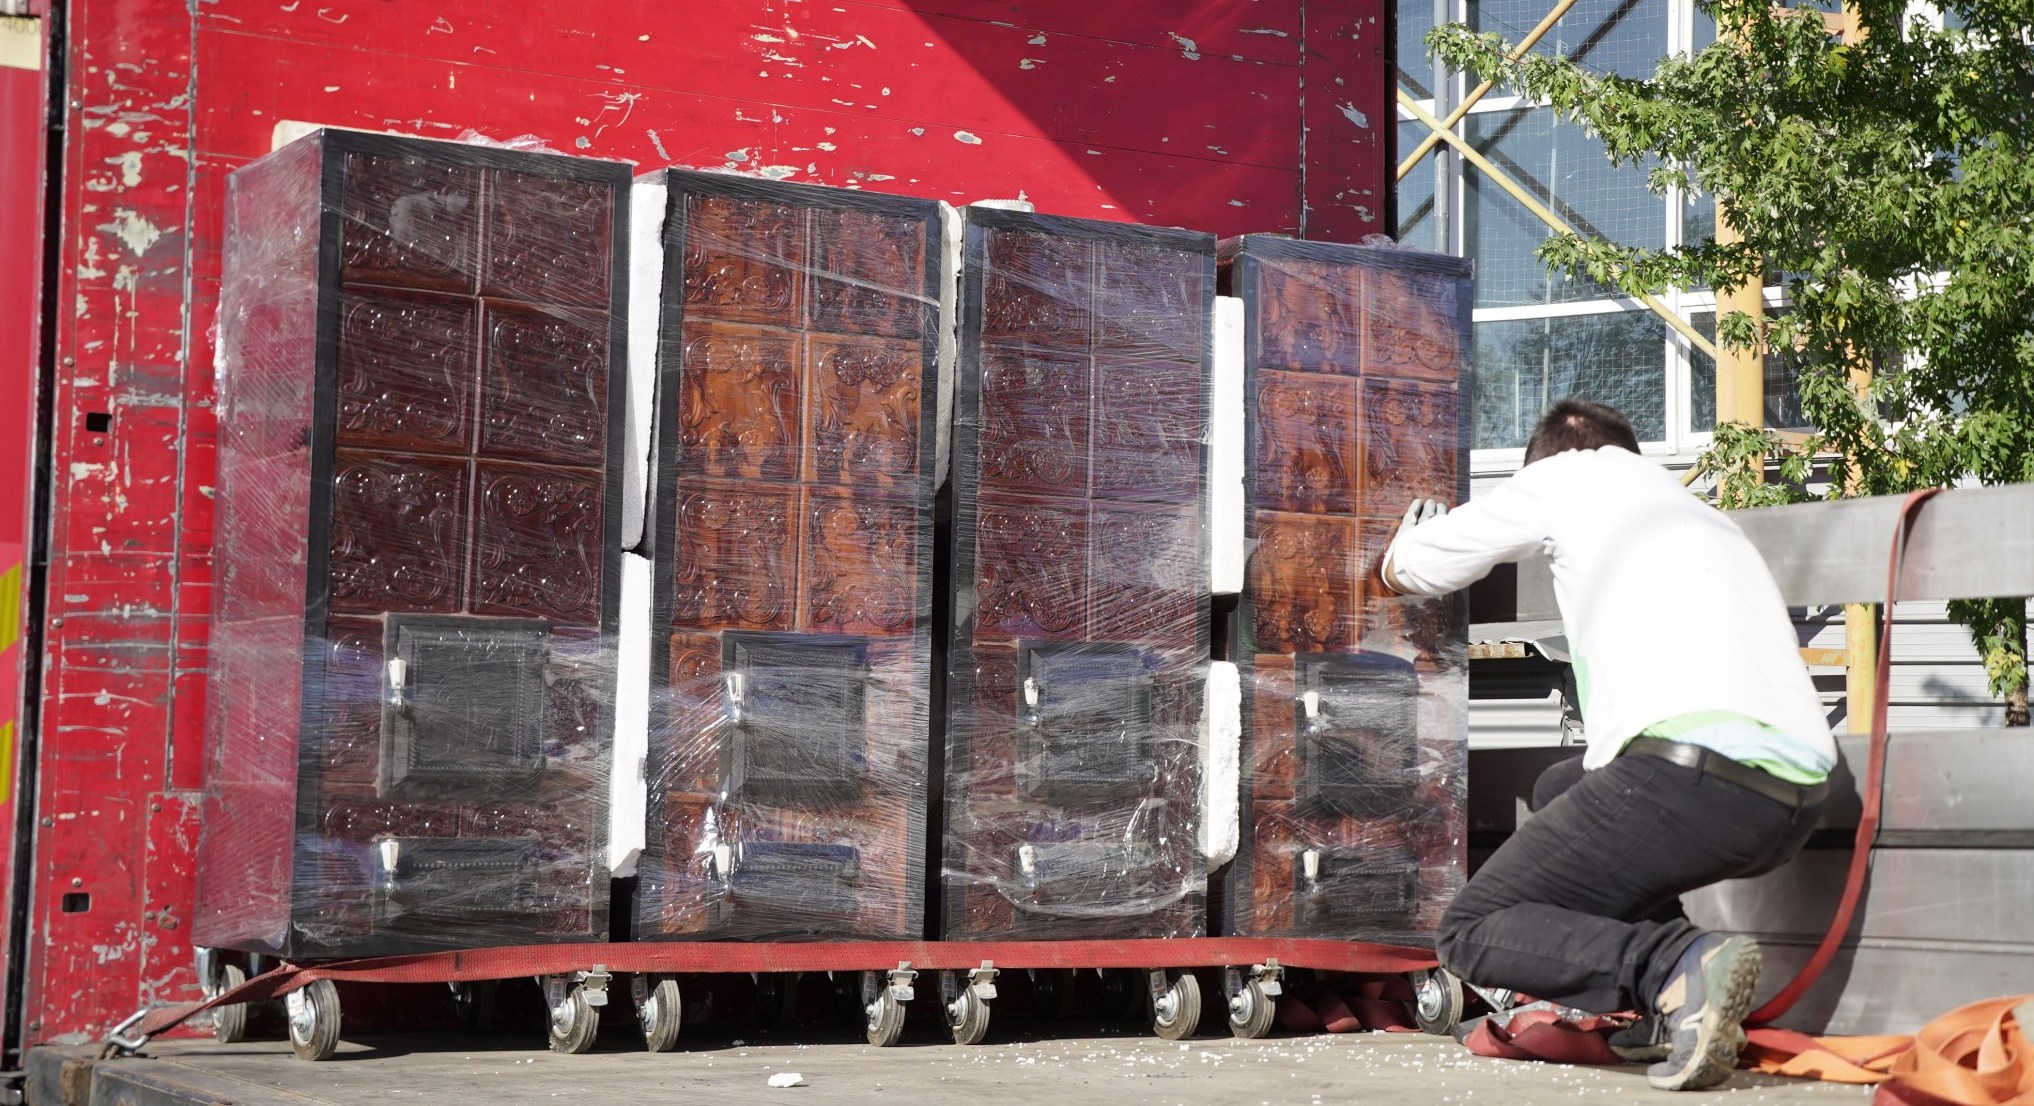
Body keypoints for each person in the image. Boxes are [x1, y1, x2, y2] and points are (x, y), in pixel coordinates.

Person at [1378, 398, 1834, 1092]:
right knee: (1566, 787)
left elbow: (1418, 567)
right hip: (1792, 801)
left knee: (1471, 929)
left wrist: (1402, 550)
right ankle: (1669, 1004)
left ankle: (1675, 969)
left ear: (1551, 457)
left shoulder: (1568, 474)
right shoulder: (1699, 515)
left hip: (1694, 775)